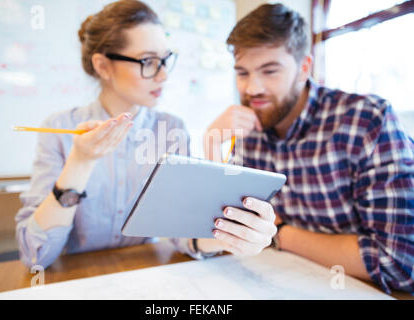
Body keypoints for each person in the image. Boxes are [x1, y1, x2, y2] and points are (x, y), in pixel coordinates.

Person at [16, 0, 277, 269]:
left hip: (144, 275)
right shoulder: (58, 130)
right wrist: (80, 163)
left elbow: (183, 234)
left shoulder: (172, 129)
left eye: (165, 60)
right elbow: (36, 256)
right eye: (148, 61)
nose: (163, 75)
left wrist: (229, 238)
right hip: (74, 278)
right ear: (103, 66)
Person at [202, 3, 413, 294]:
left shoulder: (367, 120)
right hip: (279, 281)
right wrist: (212, 143)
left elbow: (399, 262)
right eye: (242, 73)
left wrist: (280, 233)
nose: (252, 89)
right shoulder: (249, 126)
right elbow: (226, 224)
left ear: (304, 67)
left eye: (269, 71)